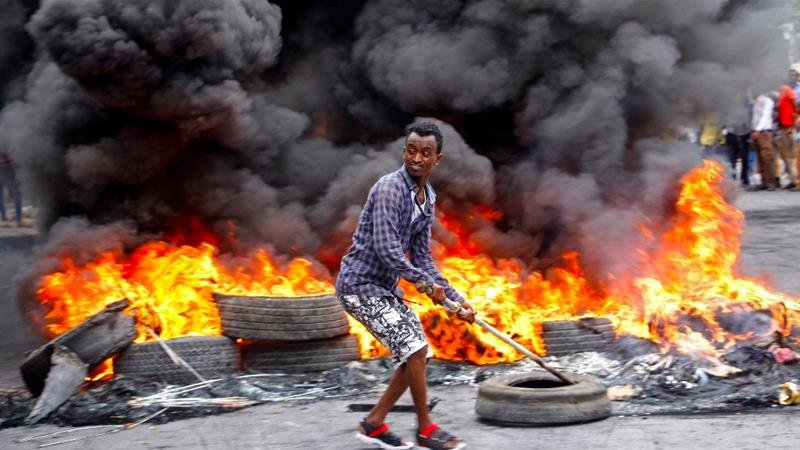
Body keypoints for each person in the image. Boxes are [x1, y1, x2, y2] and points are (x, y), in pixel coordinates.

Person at [336, 121, 474, 450]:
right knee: (414, 349)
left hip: (386, 291)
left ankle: (373, 424)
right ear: (404, 152)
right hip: (359, 287)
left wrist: (456, 299)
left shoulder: (427, 199)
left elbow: (423, 257)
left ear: (436, 159)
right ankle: (425, 429)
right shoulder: (389, 189)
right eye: (411, 150)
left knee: (416, 354)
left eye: (426, 153)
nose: (417, 158)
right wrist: (424, 284)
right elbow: (387, 250)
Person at [750, 92, 778, 190]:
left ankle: (771, 182)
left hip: (764, 132)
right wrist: (754, 129)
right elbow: (755, 117)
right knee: (760, 158)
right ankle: (764, 181)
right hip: (757, 131)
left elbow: (765, 116)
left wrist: (757, 129)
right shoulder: (756, 100)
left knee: (767, 157)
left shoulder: (767, 101)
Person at [774, 85, 797, 188]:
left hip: (789, 128)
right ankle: (792, 180)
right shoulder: (781, 91)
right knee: (785, 156)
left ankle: (795, 180)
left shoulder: (788, 91)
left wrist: (793, 124)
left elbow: (796, 105)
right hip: (783, 128)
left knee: (790, 156)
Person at [0, 152, 22, 225]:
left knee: (15, 196)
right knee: (16, 195)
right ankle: (17, 218)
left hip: (9, 168)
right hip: (8, 168)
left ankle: (15, 218)